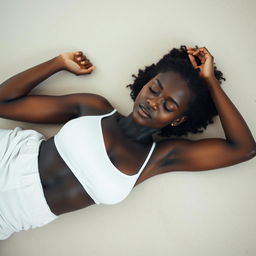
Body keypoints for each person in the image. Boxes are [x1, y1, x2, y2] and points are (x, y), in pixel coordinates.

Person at [0, 46, 255, 240]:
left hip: (12, 218)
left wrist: (210, 81)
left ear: (178, 120)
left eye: (169, 105)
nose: (154, 102)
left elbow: (244, 148)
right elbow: (4, 102)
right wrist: (58, 63)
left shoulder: (159, 158)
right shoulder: (94, 108)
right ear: (145, 84)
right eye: (154, 89)